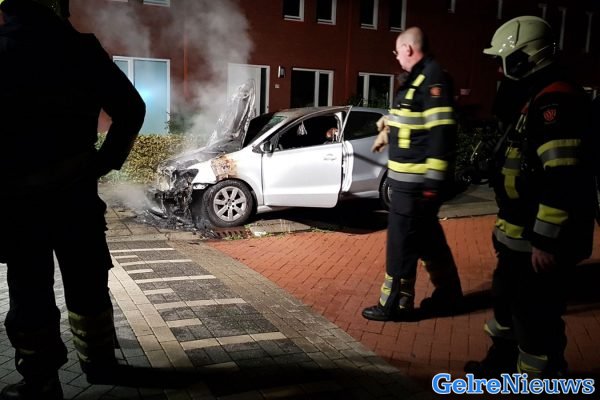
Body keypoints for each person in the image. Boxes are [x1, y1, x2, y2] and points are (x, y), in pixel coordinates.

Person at [0, 0, 145, 398]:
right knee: (88, 284)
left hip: (19, 205)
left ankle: (40, 380)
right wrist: (103, 162)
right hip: (75, 197)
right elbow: (131, 108)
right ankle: (100, 363)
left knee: (29, 293)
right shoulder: (81, 50)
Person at [465, 16, 596, 378]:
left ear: (526, 57)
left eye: (503, 60)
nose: (498, 69)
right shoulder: (534, 96)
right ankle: (502, 362)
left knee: (536, 318)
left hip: (542, 243)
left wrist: (545, 241)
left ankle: (538, 379)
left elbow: (563, 178)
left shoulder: (557, 101)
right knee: (506, 303)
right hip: (519, 233)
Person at [362, 27, 463, 322]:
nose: (396, 58)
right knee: (428, 239)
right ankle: (449, 295)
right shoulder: (419, 78)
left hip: (415, 185)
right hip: (412, 183)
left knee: (401, 243)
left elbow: (441, 132)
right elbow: (413, 118)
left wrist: (433, 182)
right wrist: (388, 127)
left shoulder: (432, 78)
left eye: (397, 52)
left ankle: (395, 303)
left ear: (408, 49)